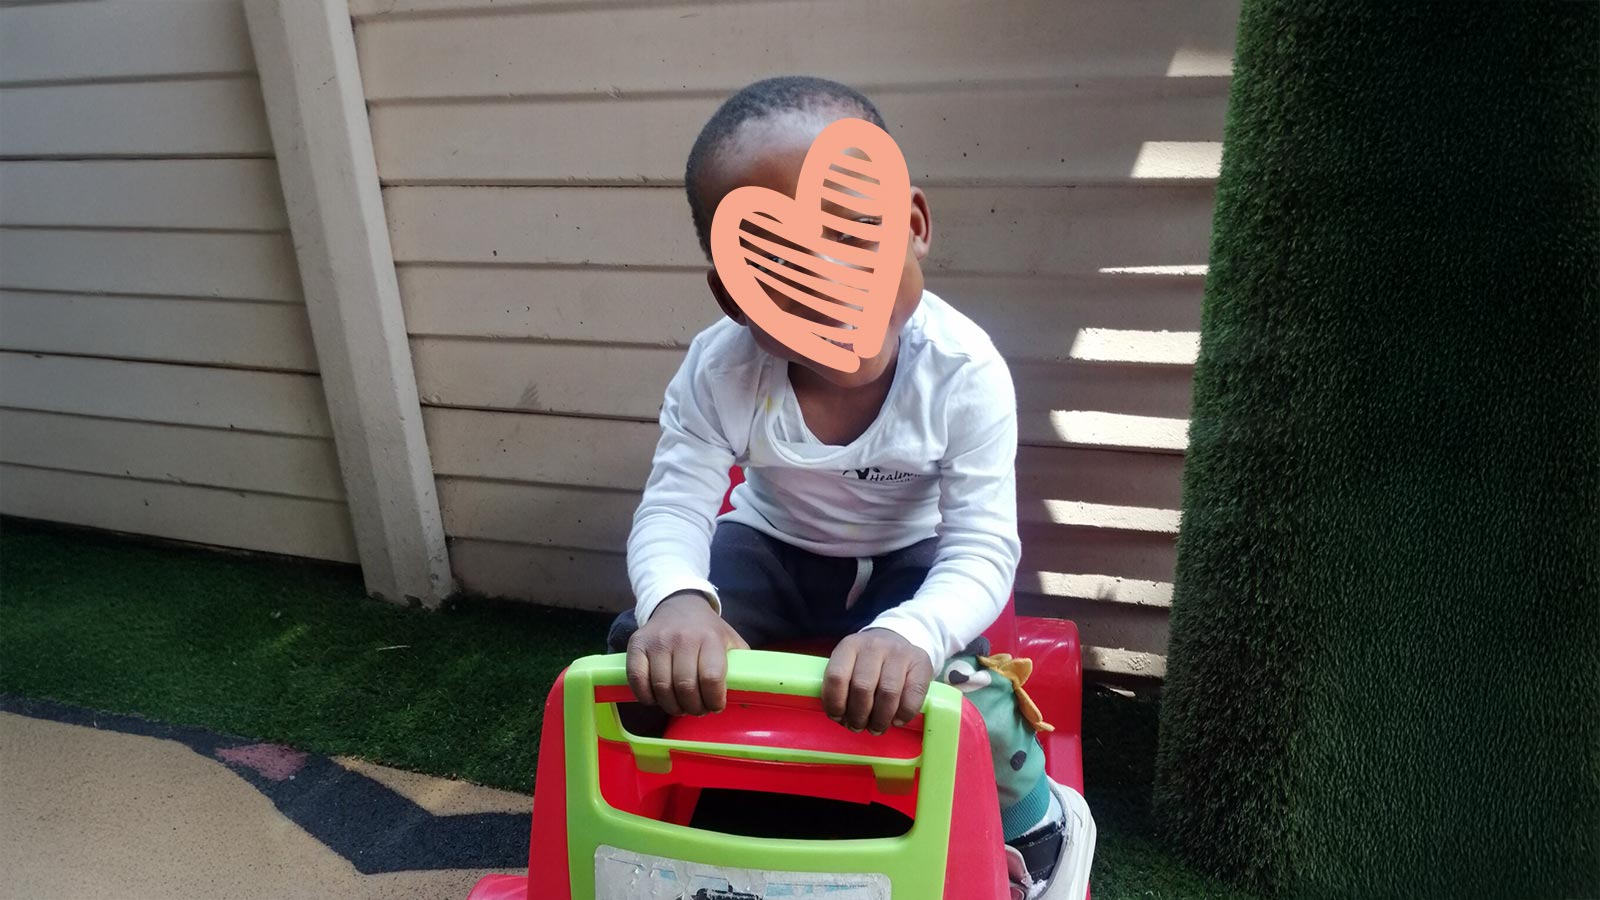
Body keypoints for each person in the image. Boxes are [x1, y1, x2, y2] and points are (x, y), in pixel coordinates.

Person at [605, 75, 1089, 899]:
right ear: (730, 291)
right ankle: (645, 828)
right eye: (777, 265)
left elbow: (980, 545)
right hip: (771, 545)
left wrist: (914, 632)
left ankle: (1038, 819)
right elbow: (677, 504)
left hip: (911, 554)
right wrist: (677, 600)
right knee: (638, 659)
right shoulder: (721, 367)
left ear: (914, 225)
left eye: (854, 235)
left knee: (975, 700)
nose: (829, 284)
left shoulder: (964, 371)